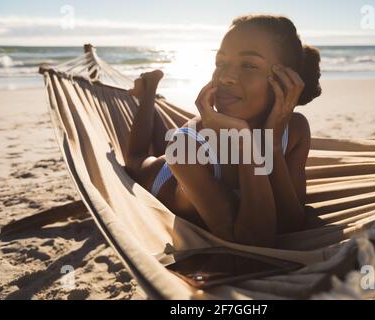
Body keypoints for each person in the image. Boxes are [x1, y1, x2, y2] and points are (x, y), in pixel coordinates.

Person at [125, 14, 322, 247]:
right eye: (220, 62)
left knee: (164, 144)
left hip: (194, 150)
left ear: (285, 81)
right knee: (136, 160)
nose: (225, 76)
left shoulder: (296, 130)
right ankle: (149, 92)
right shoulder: (184, 148)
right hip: (166, 175)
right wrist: (245, 144)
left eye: (249, 65)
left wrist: (273, 146)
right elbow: (252, 240)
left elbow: (291, 223)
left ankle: (153, 94)